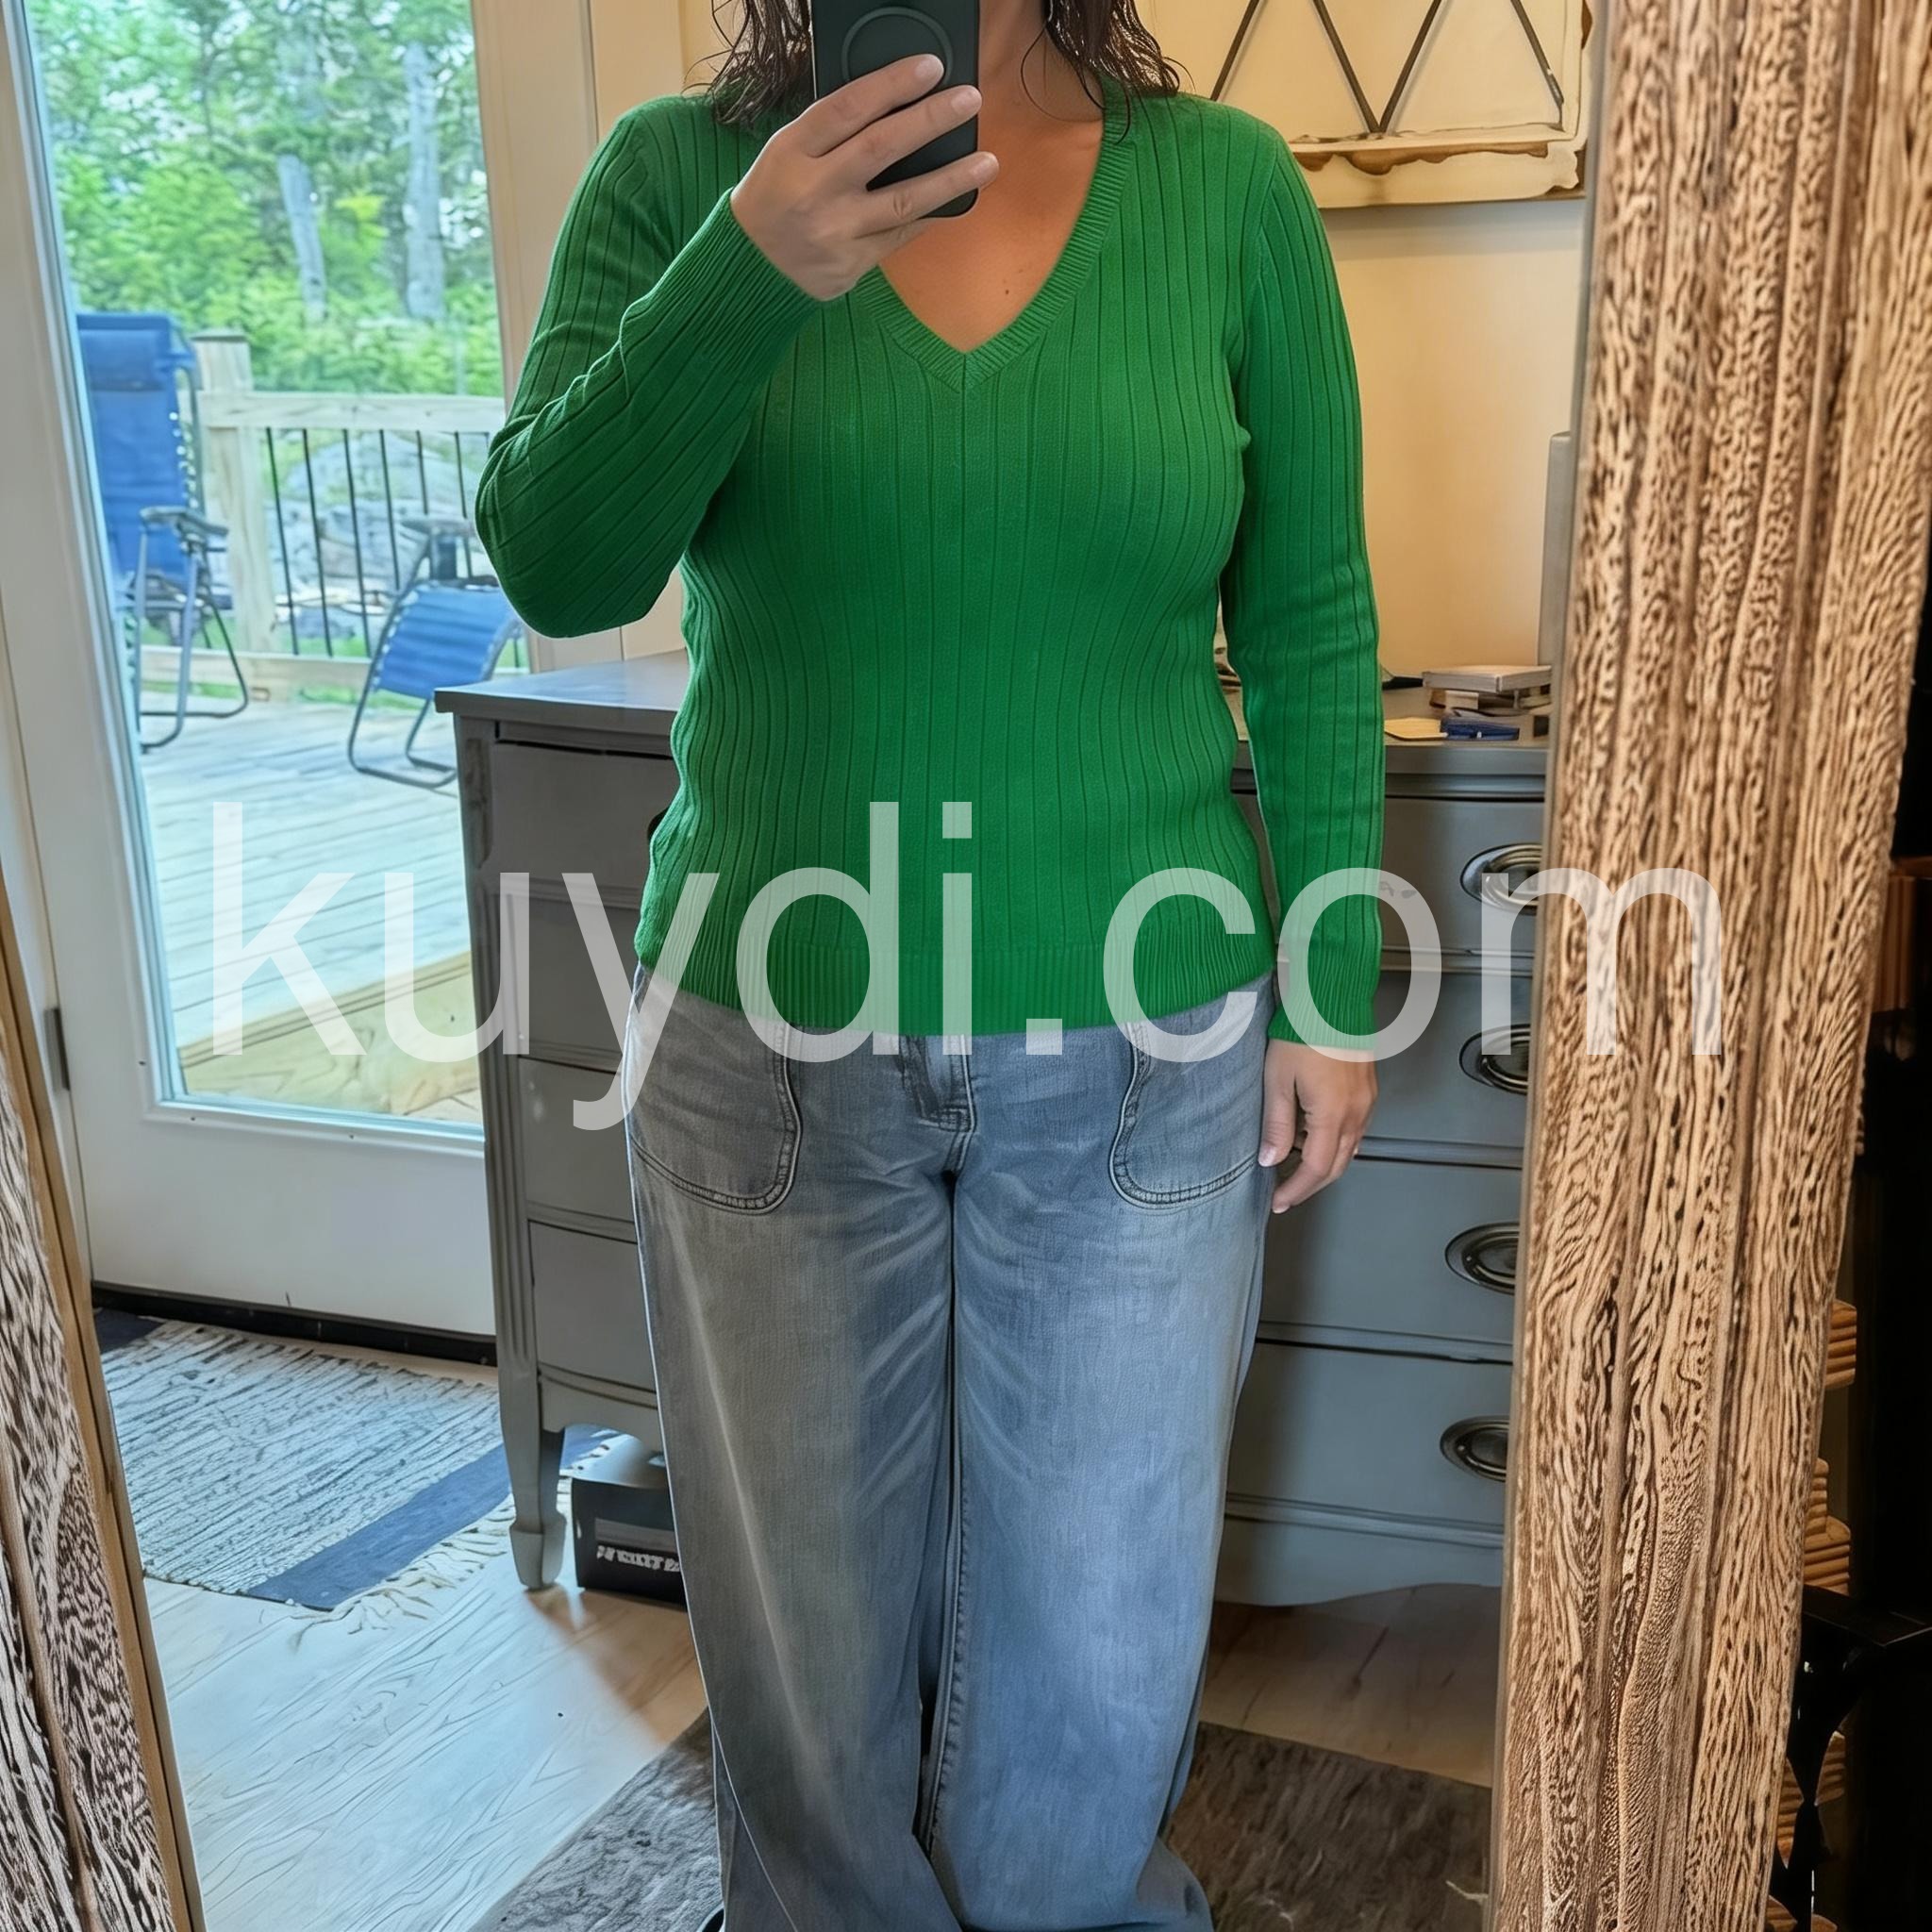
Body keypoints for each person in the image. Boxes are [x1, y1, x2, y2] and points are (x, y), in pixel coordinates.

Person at [475, 4, 1381, 1925]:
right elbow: (559, 566)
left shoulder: (1223, 193)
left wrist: (1326, 985)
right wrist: (748, 270)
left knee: (1098, 1646)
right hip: (766, 1044)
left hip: (1146, 1044)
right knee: (801, 1646)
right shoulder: (675, 182)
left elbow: (1308, 613)